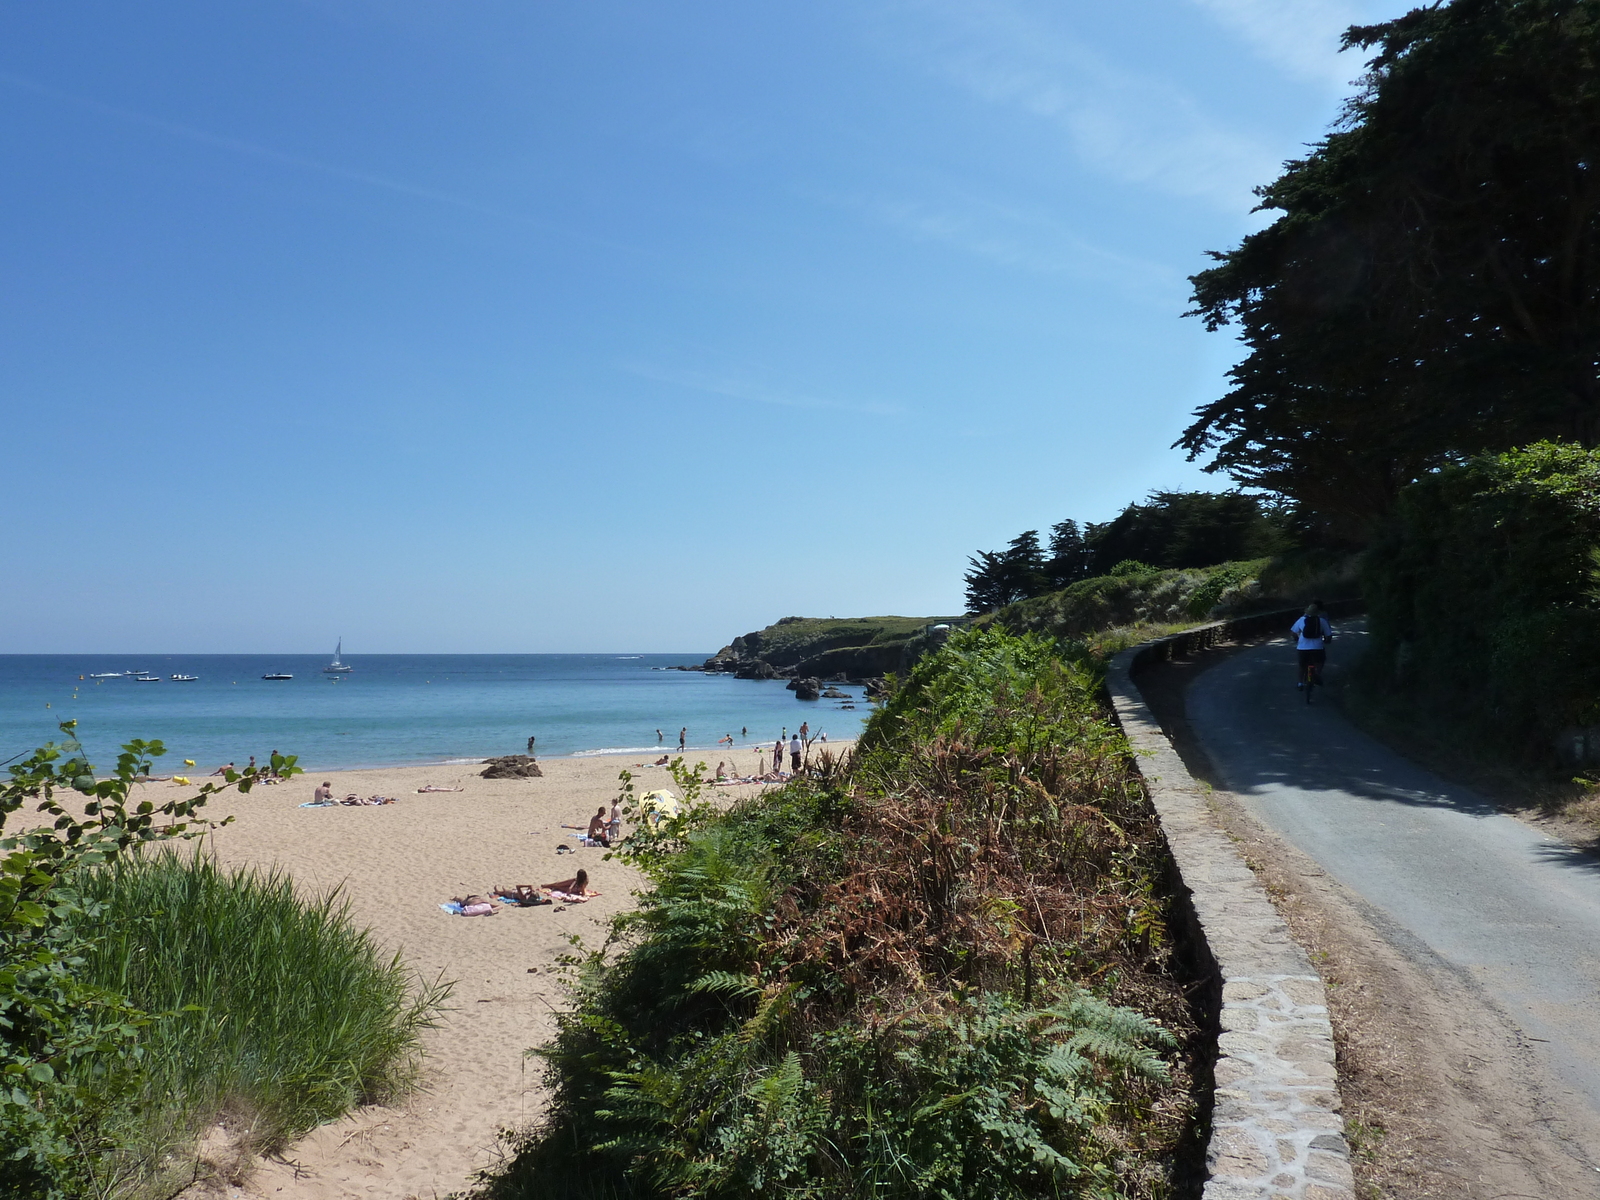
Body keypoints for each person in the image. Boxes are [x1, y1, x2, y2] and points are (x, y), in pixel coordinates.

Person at [1291, 601, 1333, 690]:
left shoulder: (1302, 620)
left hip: (1302, 648)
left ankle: (1300, 683)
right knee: (1321, 660)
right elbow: (1328, 636)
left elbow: (1293, 633)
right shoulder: (1322, 621)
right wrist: (1326, 641)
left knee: (1302, 665)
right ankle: (1317, 674)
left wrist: (1297, 640)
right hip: (1317, 647)